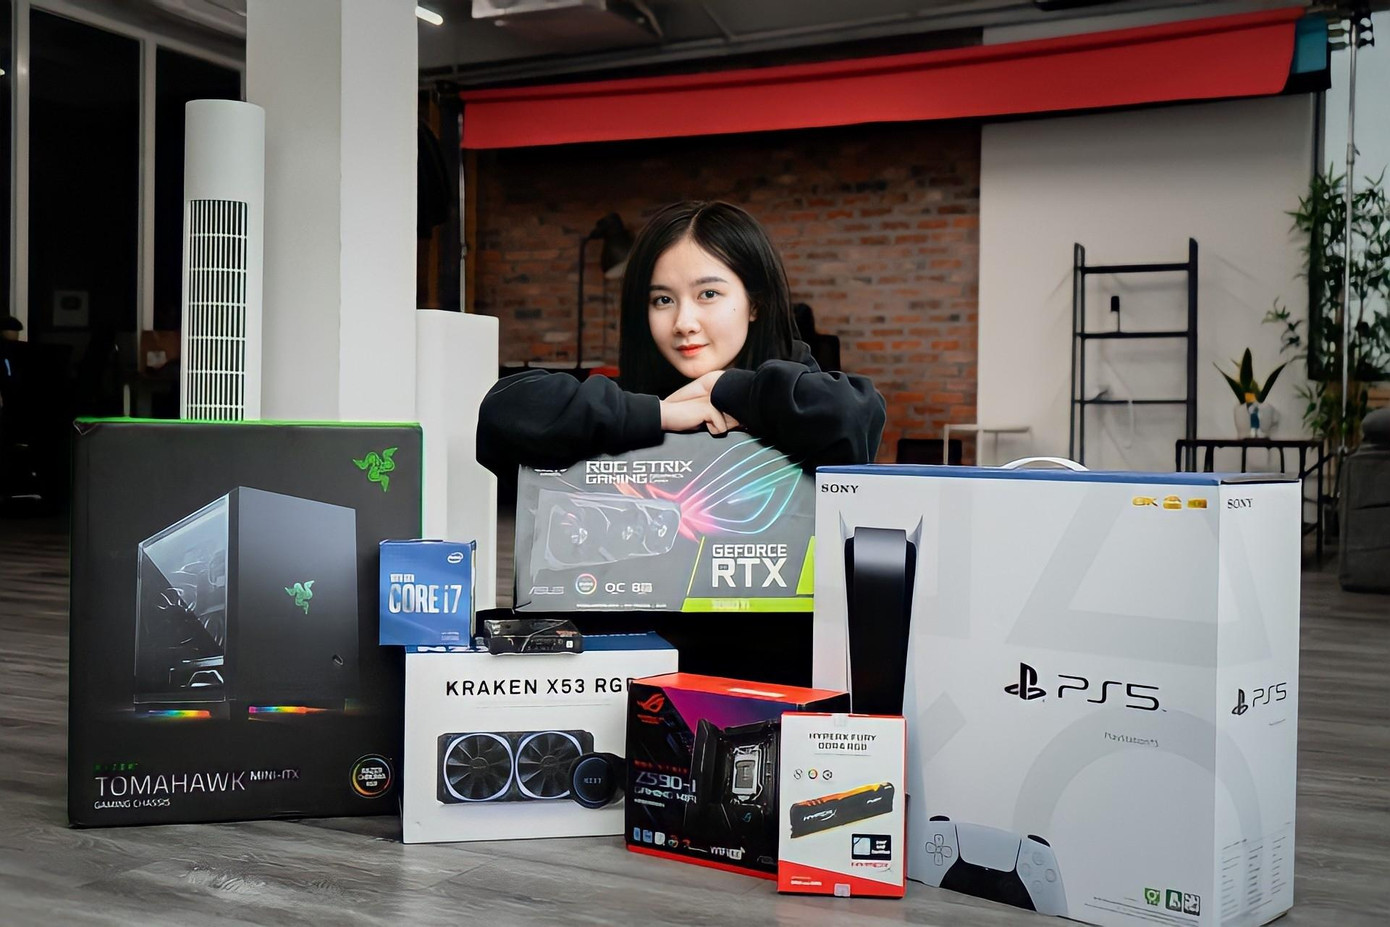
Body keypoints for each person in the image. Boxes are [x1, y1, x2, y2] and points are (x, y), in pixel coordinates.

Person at [477, 200, 885, 476]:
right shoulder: (633, 399)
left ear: (754, 303)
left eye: (708, 294)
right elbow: (502, 414)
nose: (683, 322)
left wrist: (728, 388)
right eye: (663, 300)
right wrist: (661, 414)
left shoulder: (804, 394)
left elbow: (852, 420)